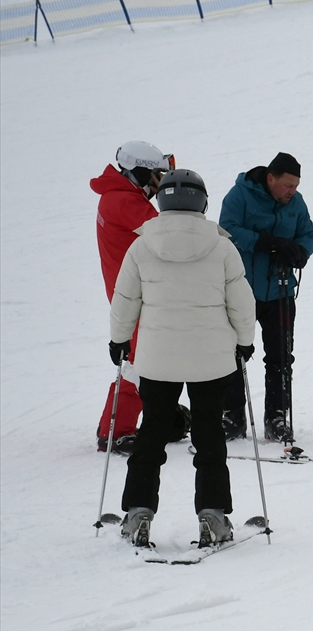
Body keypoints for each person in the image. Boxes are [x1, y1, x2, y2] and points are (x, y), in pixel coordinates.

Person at [109, 169, 256, 549]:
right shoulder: (222, 246)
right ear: (202, 202)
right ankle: (214, 516)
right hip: (212, 361)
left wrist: (119, 339)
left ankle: (137, 514)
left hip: (158, 360)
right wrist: (244, 342)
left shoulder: (142, 245)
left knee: (151, 436)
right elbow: (241, 300)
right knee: (209, 438)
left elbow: (126, 298)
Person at [90, 141, 189, 453]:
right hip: (136, 295)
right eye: (157, 174)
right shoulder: (126, 203)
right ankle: (115, 430)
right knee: (137, 362)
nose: (160, 183)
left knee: (144, 357)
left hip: (133, 291)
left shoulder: (117, 197)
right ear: (142, 172)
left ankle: (154, 415)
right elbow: (168, 238)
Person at [219, 152, 313, 443]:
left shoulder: (295, 203)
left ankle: (277, 418)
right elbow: (227, 231)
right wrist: (265, 242)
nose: (292, 191)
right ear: (271, 178)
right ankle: (232, 416)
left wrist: (300, 251)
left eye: (296, 186)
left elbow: (308, 234)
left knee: (281, 357)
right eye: (288, 185)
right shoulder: (239, 196)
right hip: (241, 290)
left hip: (280, 290)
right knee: (234, 354)